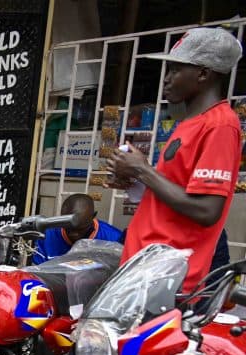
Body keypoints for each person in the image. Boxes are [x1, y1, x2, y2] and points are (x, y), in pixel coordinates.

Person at [108, 27, 242, 293]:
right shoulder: (189, 123)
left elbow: (207, 210)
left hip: (167, 278)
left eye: (176, 70)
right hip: (144, 265)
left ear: (203, 74)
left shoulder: (221, 126)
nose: (166, 79)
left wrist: (143, 169)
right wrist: (133, 177)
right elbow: (172, 193)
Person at [31, 193, 123, 265]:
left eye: (80, 229)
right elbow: (38, 274)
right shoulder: (47, 236)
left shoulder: (113, 239)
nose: (73, 234)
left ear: (93, 217)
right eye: (68, 227)